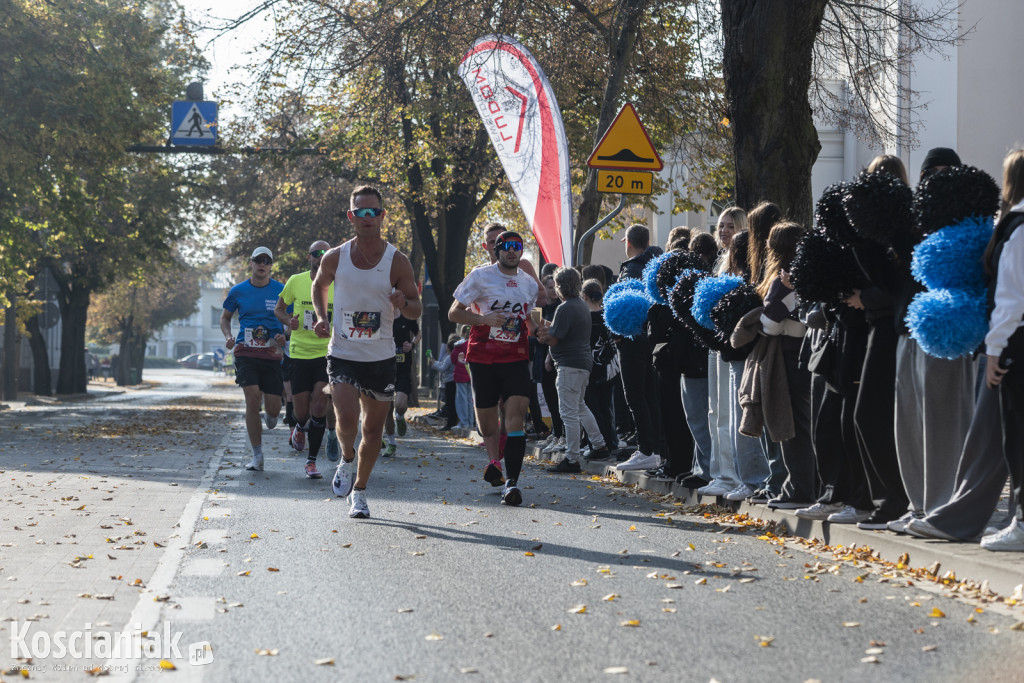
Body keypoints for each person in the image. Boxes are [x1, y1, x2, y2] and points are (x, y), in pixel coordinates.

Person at [907, 148, 1024, 549]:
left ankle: (967, 520)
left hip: (1012, 345)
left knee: (998, 435)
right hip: (1010, 342)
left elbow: (1009, 298)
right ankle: (965, 517)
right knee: (994, 437)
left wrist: (994, 351)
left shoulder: (1016, 226)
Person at [312, 185, 422, 519]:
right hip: (343, 353)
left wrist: (405, 303)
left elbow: (417, 308)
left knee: (373, 431)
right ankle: (346, 458)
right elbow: (319, 285)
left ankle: (359, 491)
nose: (368, 217)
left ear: (382, 215)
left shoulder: (397, 261)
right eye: (361, 211)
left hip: (381, 358)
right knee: (346, 419)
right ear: (351, 216)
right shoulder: (336, 256)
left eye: (373, 211)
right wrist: (321, 317)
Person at [449, 230, 539, 506]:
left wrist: (538, 328)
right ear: (497, 251)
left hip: (516, 357)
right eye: (507, 246)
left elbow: (528, 316)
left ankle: (512, 483)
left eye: (518, 247)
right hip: (482, 357)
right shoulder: (480, 277)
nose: (513, 251)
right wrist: (484, 318)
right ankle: (493, 461)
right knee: (487, 424)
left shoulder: (529, 284)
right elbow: (454, 313)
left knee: (516, 417)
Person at [275, 240, 340, 479]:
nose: (321, 256)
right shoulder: (296, 281)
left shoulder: (338, 283)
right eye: (316, 253)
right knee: (301, 412)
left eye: (326, 253)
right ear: (309, 257)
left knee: (320, 405)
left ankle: (312, 462)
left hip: (327, 354)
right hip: (300, 354)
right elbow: (279, 309)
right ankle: (299, 428)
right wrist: (288, 321)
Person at [538, 267, 611, 473]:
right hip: (582, 364)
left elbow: (554, 338)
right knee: (580, 407)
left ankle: (571, 459)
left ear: (560, 286)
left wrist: (540, 333)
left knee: (568, 413)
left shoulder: (566, 307)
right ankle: (599, 445)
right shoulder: (579, 304)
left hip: (569, 365)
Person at [220, 246, 287, 472]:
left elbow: (291, 319)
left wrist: (284, 335)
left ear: (271, 265)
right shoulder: (238, 291)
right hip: (245, 351)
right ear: (251, 263)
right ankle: (257, 455)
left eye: (266, 261)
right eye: (258, 260)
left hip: (272, 353)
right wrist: (229, 336)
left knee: (274, 409)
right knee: (251, 398)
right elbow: (225, 317)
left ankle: (271, 413)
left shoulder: (281, 290)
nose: (262, 264)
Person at [614, 224, 664, 472]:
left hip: (633, 338)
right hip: (650, 339)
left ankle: (646, 449)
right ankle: (654, 448)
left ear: (628, 243)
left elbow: (625, 306)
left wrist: (619, 334)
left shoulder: (632, 268)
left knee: (634, 395)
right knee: (648, 394)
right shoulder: (654, 265)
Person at [382, 311, 420, 456]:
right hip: (385, 370)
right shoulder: (382, 317)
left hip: (403, 370)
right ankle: (391, 443)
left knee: (400, 405)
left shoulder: (407, 316)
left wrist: (411, 344)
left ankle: (399, 417)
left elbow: (418, 334)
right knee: (387, 408)